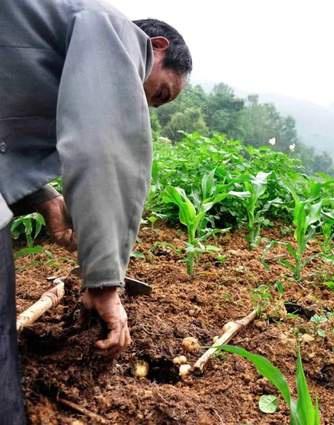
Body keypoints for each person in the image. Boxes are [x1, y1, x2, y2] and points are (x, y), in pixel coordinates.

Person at [0, 1, 192, 423]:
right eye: (158, 93)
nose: (144, 104)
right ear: (155, 48)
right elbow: (103, 146)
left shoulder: (50, 40)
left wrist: (46, 199)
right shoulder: (111, 29)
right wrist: (105, 284)